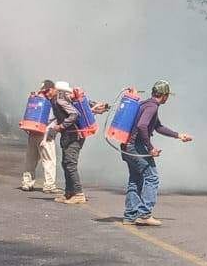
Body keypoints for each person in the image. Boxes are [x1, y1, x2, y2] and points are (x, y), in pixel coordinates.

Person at [122, 80, 193, 226]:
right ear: (164, 95)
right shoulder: (152, 107)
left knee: (135, 179)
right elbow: (142, 126)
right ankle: (145, 213)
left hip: (126, 145)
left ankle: (130, 216)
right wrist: (150, 148)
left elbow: (158, 127)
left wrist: (179, 135)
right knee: (152, 177)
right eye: (167, 95)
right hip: (136, 146)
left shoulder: (145, 104)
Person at [47, 81, 109, 205]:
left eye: (47, 90)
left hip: (74, 135)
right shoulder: (65, 98)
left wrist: (61, 126)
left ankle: (78, 194)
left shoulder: (61, 99)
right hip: (70, 135)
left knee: (70, 163)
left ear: (54, 89)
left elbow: (74, 114)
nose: (46, 93)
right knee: (66, 163)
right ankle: (69, 193)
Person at [21, 80, 62, 195]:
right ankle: (49, 185)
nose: (53, 92)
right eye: (52, 90)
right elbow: (50, 121)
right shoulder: (49, 103)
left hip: (32, 133)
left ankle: (27, 183)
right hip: (45, 135)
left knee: (30, 160)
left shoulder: (35, 99)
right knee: (49, 160)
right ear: (51, 89)